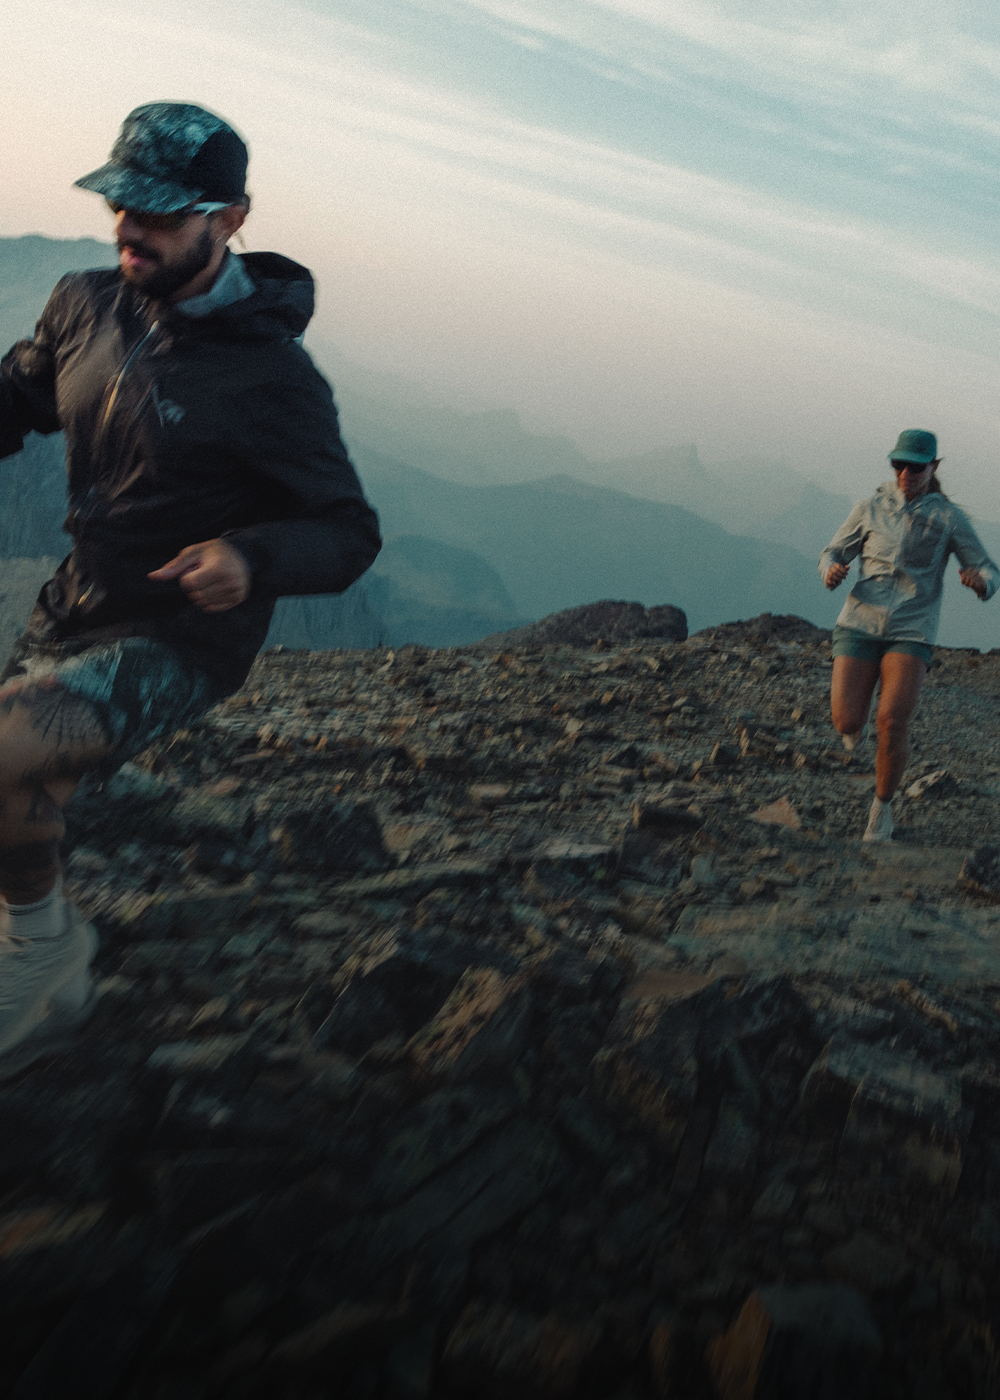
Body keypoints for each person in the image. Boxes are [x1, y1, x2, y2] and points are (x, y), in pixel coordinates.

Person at [0, 102, 381, 1071]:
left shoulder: (274, 378)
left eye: (163, 213)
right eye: (124, 203)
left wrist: (250, 557)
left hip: (177, 643)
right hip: (73, 611)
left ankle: (40, 949)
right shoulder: (84, 301)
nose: (133, 227)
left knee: (3, 745)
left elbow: (346, 530)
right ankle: (44, 948)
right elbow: (24, 394)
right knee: (22, 782)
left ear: (231, 218)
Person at [819, 429, 997, 842]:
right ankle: (854, 725)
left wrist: (980, 582)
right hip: (860, 621)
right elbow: (832, 552)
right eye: (898, 464)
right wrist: (830, 571)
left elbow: (989, 568)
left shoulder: (949, 518)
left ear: (933, 467)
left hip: (912, 628)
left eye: (916, 466)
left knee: (892, 722)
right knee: (846, 720)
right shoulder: (869, 508)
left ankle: (881, 811)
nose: (905, 473)